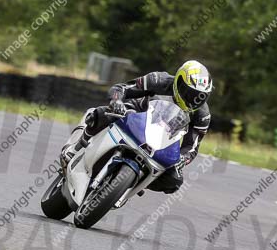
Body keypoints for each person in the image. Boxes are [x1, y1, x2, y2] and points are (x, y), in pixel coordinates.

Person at [61, 60, 213, 194]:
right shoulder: (158, 80)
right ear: (179, 82)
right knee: (101, 113)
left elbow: (192, 147)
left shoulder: (202, 115)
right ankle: (76, 148)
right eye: (190, 93)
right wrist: (117, 101)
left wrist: (182, 159)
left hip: (162, 140)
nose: (194, 100)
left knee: (174, 181)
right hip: (134, 114)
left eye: (200, 96)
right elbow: (121, 88)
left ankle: (135, 182)